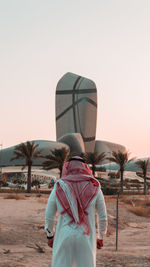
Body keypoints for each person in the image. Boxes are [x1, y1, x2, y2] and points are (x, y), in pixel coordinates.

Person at [45, 156, 107, 267]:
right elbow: (103, 216)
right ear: (86, 168)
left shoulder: (59, 186)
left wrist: (50, 235)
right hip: (86, 238)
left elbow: (49, 215)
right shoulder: (95, 187)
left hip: (64, 237)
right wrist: (101, 237)